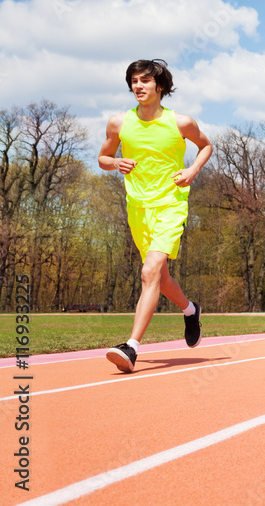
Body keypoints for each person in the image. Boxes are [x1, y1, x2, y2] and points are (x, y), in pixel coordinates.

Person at [98, 59, 213, 373]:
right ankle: (190, 311)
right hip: (138, 208)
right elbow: (103, 156)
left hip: (171, 206)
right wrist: (114, 163)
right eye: (134, 81)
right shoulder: (119, 123)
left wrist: (193, 169)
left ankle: (131, 346)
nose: (138, 86)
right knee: (160, 279)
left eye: (145, 81)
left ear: (159, 86)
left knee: (150, 272)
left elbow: (206, 146)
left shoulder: (181, 122)